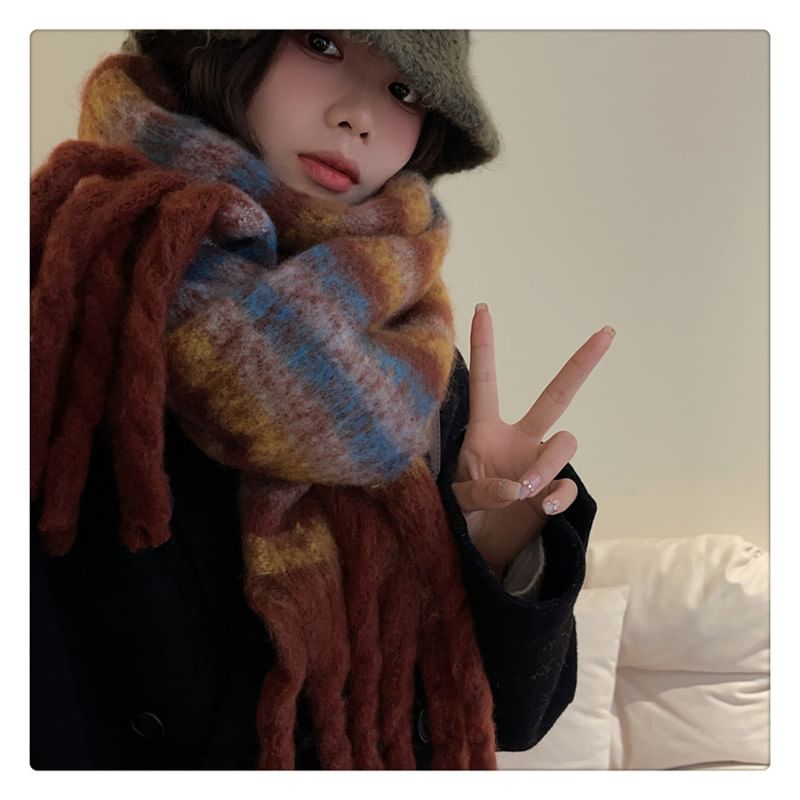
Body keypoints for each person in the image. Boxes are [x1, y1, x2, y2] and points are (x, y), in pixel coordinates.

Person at [30, 30, 612, 770]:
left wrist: (496, 552)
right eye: (321, 44)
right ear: (224, 41)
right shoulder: (62, 278)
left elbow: (513, 719)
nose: (360, 116)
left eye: (405, 91)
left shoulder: (409, 358)